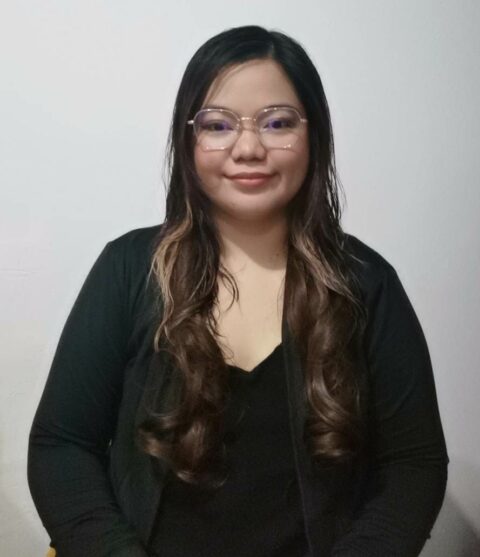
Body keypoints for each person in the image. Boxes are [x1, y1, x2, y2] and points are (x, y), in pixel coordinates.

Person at [28, 25, 448, 557]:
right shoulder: (129, 269)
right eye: (218, 125)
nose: (249, 148)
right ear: (188, 140)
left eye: (278, 122)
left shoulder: (365, 283)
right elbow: (62, 447)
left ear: (314, 135)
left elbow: (413, 464)